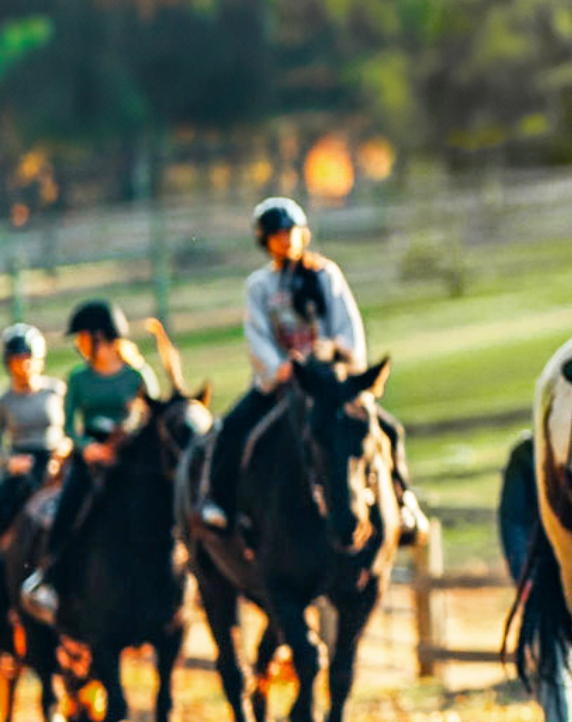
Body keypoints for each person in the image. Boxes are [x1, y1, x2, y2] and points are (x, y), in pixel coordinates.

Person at [195, 197, 427, 539]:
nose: (285, 240)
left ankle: (403, 500)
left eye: (290, 232)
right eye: (276, 234)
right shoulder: (259, 286)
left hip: (328, 381)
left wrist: (335, 351)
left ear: (303, 234)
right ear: (265, 241)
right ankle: (222, 505)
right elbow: (257, 334)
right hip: (283, 379)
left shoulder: (325, 275)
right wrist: (278, 368)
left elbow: (347, 324)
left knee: (388, 429)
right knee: (231, 431)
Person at [21, 299, 159, 620]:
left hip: (132, 460)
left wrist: (129, 437)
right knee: (69, 503)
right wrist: (88, 448)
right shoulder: (79, 378)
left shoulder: (138, 375)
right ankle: (49, 574)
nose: (78, 344)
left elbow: (153, 418)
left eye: (81, 336)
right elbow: (69, 425)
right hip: (91, 458)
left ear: (99, 337)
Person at [1, 323, 70, 486]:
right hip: (22, 464)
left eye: (28, 359)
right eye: (17, 360)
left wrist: (64, 449)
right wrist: (9, 461)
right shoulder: (5, 400)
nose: (24, 366)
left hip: (56, 459)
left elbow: (73, 428)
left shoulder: (56, 391)